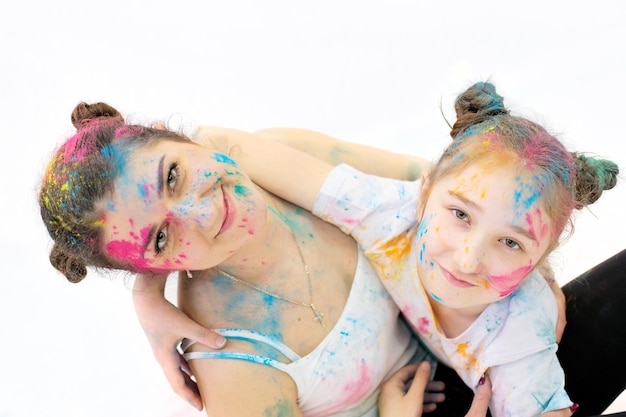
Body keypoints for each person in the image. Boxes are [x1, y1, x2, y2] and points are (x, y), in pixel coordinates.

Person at [133, 81, 622, 416]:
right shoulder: (387, 213)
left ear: (540, 260)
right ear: (424, 189)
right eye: (460, 215)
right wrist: (146, 290)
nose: (468, 258)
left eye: (511, 243)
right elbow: (215, 145)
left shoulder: (522, 344)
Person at [40, 102, 493, 417]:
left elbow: (430, 183)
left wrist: (532, 290)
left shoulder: (278, 161)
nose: (204, 212)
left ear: (182, 139)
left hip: (480, 332)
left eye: (173, 175)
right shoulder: (231, 355)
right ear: (152, 269)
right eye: (160, 238)